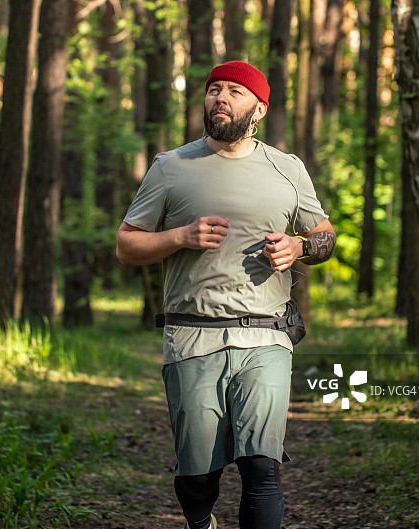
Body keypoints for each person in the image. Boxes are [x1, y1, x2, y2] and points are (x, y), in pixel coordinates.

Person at [115, 61, 336, 529]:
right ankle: (201, 521)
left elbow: (325, 237)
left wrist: (300, 245)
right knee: (197, 478)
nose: (220, 98)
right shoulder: (171, 166)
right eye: (214, 89)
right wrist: (180, 237)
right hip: (192, 336)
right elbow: (126, 243)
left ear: (258, 109)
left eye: (235, 91)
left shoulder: (287, 168)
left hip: (267, 337)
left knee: (262, 468)